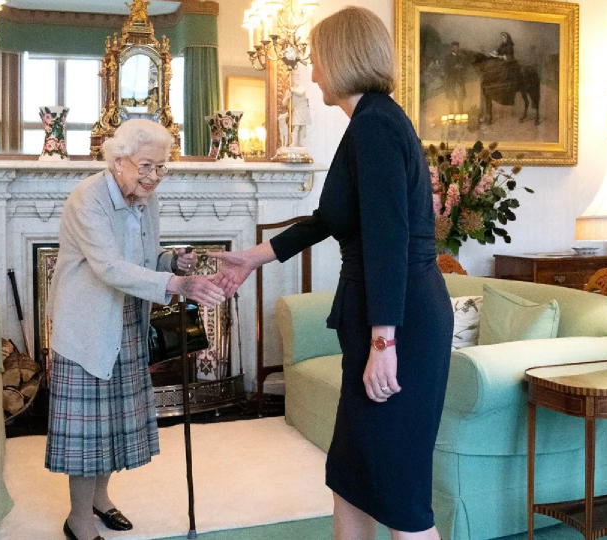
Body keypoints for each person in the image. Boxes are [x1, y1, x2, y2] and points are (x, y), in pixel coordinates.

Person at [212, 7, 452, 539]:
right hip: (381, 315)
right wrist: (254, 256)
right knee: (352, 474)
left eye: (317, 58)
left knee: (398, 492)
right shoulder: (368, 122)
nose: (313, 71)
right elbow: (331, 219)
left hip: (401, 322)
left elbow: (389, 239)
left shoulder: (376, 126)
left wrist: (384, 341)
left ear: (342, 57)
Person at [45, 119, 225, 540]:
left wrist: (167, 262)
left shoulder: (146, 201)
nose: (153, 177)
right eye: (146, 166)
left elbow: (140, 257)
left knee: (112, 423)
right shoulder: (87, 198)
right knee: (88, 431)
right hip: (88, 324)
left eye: (161, 168)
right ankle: (78, 519)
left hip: (127, 319)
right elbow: (108, 266)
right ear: (118, 160)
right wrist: (176, 284)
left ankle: (100, 499)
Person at [443, 41, 468, 114]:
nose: (456, 48)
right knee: (451, 98)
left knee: (460, 98)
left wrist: (462, 68)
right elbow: (445, 69)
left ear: (458, 48)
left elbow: (465, 68)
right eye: (454, 47)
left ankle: (461, 114)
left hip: (459, 80)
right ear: (451, 48)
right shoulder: (447, 58)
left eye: (457, 47)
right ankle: (451, 115)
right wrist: (454, 67)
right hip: (451, 80)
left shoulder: (461, 57)